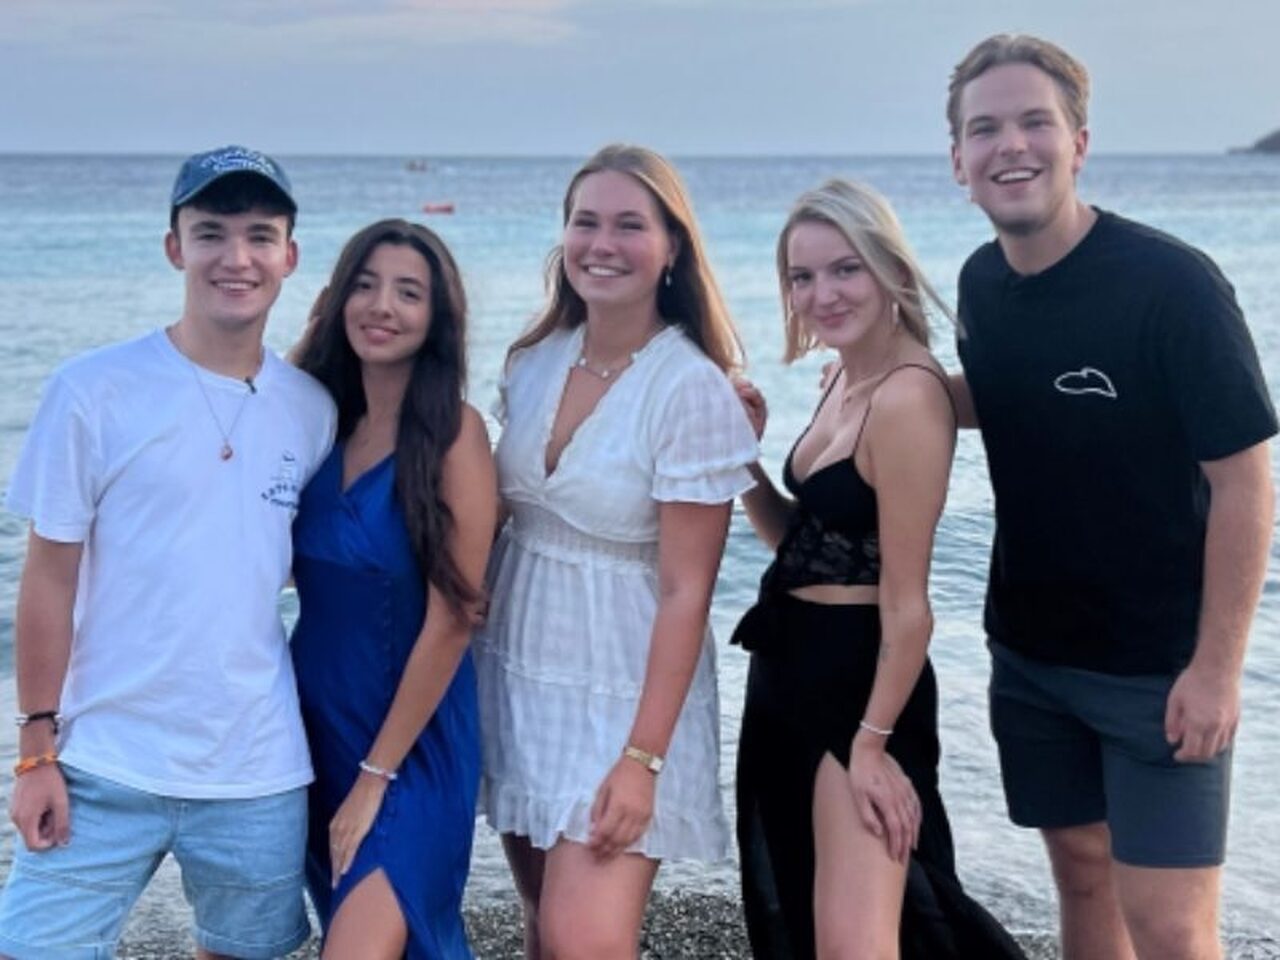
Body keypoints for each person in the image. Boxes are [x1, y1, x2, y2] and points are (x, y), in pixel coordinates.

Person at [947, 34, 1277, 960]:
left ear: (1079, 143)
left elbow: (1246, 481)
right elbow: (1005, 394)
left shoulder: (1172, 286)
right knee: (1083, 877)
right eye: (985, 129)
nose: (1011, 145)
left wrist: (1217, 670)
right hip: (1030, 656)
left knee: (1171, 928)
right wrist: (874, 390)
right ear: (959, 160)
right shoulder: (980, 283)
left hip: (1158, 671)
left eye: (1035, 122)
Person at [0, 145, 336, 959]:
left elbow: (303, 562)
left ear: (290, 256)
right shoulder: (93, 389)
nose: (236, 257)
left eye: (259, 236)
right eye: (211, 232)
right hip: (102, 759)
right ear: (174, 247)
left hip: (255, 767)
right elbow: (49, 577)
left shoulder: (312, 409)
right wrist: (35, 751)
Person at [474, 143, 758, 960]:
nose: (603, 244)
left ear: (671, 248)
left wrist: (642, 759)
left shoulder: (690, 388)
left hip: (624, 695)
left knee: (584, 938)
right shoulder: (534, 361)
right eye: (585, 222)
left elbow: (686, 593)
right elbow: (498, 517)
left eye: (630, 225)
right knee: (543, 928)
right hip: (521, 675)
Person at [731, 178, 1025, 959]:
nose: (821, 294)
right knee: (809, 919)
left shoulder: (909, 398)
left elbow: (907, 604)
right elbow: (804, 548)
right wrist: (744, 462)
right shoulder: (839, 377)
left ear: (890, 269)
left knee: (858, 943)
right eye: (802, 276)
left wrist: (871, 744)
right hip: (787, 670)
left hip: (859, 684)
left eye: (845, 268)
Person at [290, 219, 496, 959]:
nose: (382, 306)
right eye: (366, 285)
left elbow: (456, 615)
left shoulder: (454, 434)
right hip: (315, 731)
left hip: (413, 747)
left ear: (437, 318)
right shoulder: (317, 428)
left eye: (409, 293)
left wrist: (377, 776)